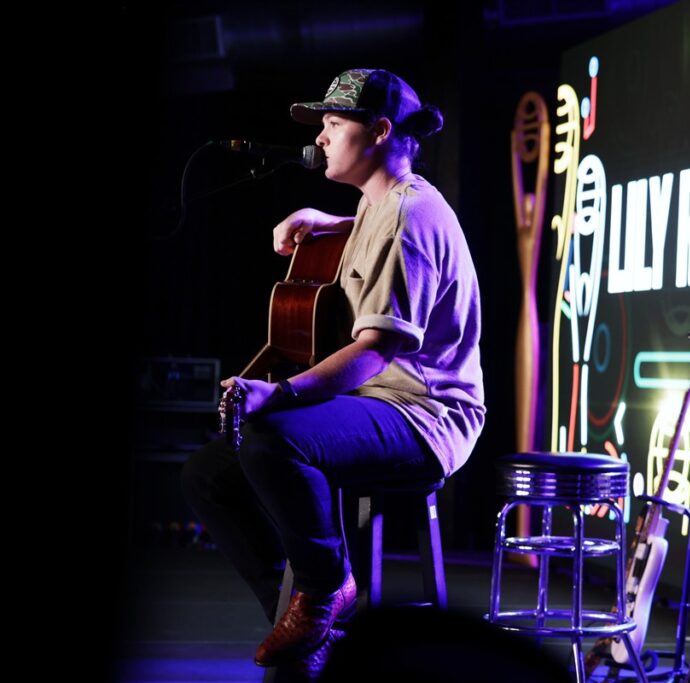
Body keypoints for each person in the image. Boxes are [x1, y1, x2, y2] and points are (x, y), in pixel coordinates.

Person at [181, 68, 485, 669]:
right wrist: (330, 220)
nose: (320, 138)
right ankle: (306, 620)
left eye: (334, 123)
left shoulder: (410, 215)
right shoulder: (379, 204)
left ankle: (324, 587)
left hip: (424, 414)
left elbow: (375, 351)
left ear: (380, 131)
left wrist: (280, 393)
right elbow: (377, 233)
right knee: (206, 475)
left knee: (272, 438)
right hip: (376, 401)